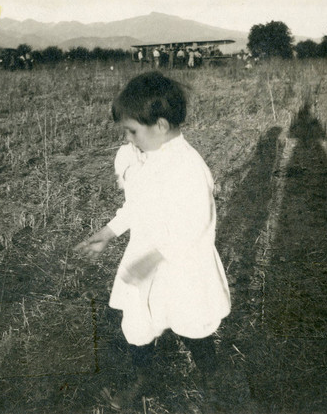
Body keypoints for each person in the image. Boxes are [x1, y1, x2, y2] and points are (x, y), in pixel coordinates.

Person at [75, 72, 231, 412]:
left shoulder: (188, 167)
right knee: (137, 320)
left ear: (160, 125)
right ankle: (145, 376)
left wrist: (153, 259)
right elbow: (137, 206)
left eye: (132, 131)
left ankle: (213, 379)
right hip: (146, 257)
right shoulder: (148, 158)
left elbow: (195, 227)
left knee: (192, 323)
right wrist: (109, 232)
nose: (128, 139)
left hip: (182, 265)